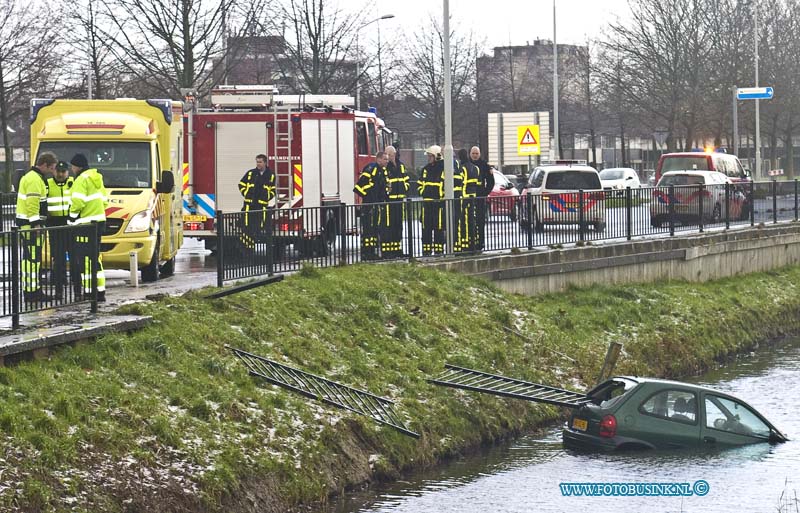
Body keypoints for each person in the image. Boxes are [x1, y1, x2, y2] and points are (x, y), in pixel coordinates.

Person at [16, 152, 56, 303]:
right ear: (44, 165)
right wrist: (36, 224)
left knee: (31, 259)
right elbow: (32, 204)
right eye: (51, 168)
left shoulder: (33, 177)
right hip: (30, 226)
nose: (52, 172)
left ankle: (33, 289)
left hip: (27, 224)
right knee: (32, 259)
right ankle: (32, 292)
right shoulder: (34, 179)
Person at [68, 153, 108, 302]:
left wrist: (71, 217)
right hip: (98, 222)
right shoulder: (96, 179)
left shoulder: (81, 180)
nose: (71, 169)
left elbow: (78, 202)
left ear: (78, 166)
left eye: (72, 166)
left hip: (85, 225)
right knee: (95, 257)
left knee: (85, 259)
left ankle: (90, 292)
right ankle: (99, 291)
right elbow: (104, 202)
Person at [45, 161, 74, 300]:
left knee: (75, 258)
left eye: (63, 171)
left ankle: (77, 288)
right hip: (55, 226)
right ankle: (58, 289)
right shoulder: (48, 184)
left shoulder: (74, 183)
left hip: (71, 225)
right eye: (58, 171)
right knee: (58, 258)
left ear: (68, 172)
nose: (61, 174)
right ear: (54, 171)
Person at [353, 151, 389, 260]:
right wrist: (369, 197)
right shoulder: (371, 169)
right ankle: (367, 252)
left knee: (374, 229)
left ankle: (372, 252)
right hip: (369, 206)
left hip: (376, 205)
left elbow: (383, 187)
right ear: (378, 159)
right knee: (368, 229)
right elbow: (359, 187)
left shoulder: (381, 171)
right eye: (385, 159)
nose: (387, 161)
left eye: (387, 159)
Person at [237, 154, 276, 251]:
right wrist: (246, 193)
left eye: (260, 162)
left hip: (261, 206)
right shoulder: (251, 173)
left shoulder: (270, 175)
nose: (258, 164)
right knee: (246, 228)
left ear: (265, 163)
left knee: (257, 228)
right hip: (248, 206)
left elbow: (273, 190)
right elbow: (241, 184)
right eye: (257, 162)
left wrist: (266, 197)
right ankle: (246, 250)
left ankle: (252, 248)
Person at [418, 145, 445, 255]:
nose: (428, 158)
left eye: (430, 156)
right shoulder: (425, 169)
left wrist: (441, 197)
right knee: (426, 227)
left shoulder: (443, 169)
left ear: (436, 156)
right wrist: (422, 192)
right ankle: (426, 250)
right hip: (427, 203)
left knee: (438, 227)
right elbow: (420, 184)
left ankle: (439, 250)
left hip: (438, 204)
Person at [384, 146, 409, 258]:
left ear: (394, 154)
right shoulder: (385, 168)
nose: (389, 157)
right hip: (390, 201)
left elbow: (406, 179)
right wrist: (387, 193)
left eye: (391, 154)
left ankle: (397, 249)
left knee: (399, 225)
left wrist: (405, 188)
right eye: (387, 154)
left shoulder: (401, 166)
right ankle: (388, 251)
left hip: (400, 200)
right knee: (390, 226)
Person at [456, 148, 480, 252]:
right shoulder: (476, 168)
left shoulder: (462, 168)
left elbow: (462, 183)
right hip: (473, 197)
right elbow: (477, 184)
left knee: (464, 222)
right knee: (473, 221)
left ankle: (465, 244)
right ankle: (473, 242)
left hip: (465, 198)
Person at [470, 146, 494, 250]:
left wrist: (485, 193)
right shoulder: (466, 165)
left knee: (480, 220)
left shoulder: (484, 165)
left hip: (480, 196)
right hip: (469, 197)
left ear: (479, 154)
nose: (475, 155)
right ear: (470, 154)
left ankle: (480, 242)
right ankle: (470, 242)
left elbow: (491, 182)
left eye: (476, 154)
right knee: (470, 220)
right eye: (473, 153)